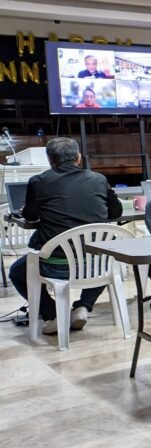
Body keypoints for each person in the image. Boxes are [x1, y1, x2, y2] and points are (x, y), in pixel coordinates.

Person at [8, 137, 123, 335]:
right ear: (79, 158)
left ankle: (53, 315)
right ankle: (83, 307)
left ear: (50, 160)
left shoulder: (39, 182)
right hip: (95, 264)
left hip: (55, 265)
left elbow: (30, 216)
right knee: (107, 259)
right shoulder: (98, 179)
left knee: (17, 272)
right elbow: (116, 212)